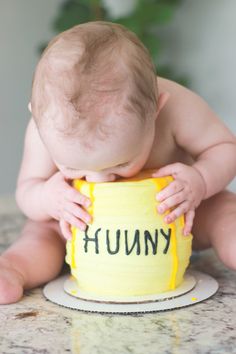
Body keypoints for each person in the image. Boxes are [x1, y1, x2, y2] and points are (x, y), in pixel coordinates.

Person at [0, 21, 236, 305]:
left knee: (223, 212)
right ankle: (14, 268)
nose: (98, 180)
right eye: (73, 168)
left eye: (120, 163)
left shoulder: (180, 109)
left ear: (156, 111)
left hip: (175, 213)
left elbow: (225, 148)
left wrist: (200, 179)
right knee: (42, 233)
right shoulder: (43, 128)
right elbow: (27, 190)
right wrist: (48, 198)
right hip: (84, 225)